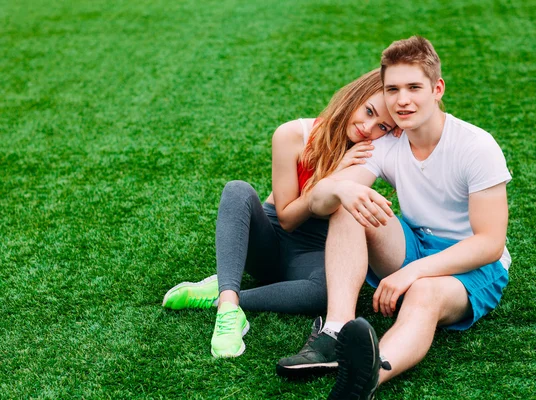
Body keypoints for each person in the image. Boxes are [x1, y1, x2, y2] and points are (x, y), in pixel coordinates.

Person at [277, 36, 512, 400]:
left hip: (470, 265)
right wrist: (340, 189)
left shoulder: (476, 146)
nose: (402, 100)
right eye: (392, 89)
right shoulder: (386, 143)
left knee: (424, 292)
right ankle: (336, 329)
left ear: (437, 89)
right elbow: (323, 201)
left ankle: (367, 377)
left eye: (414, 87)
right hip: (413, 242)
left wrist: (413, 271)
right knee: (353, 202)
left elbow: (489, 244)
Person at [161, 69, 397, 359]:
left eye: (383, 127)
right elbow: (286, 218)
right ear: (354, 97)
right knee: (237, 190)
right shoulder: (293, 134)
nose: (368, 127)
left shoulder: (369, 156)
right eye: (369, 111)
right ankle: (228, 307)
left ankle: (227, 295)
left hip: (313, 254)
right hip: (270, 240)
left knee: (328, 292)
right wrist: (335, 174)